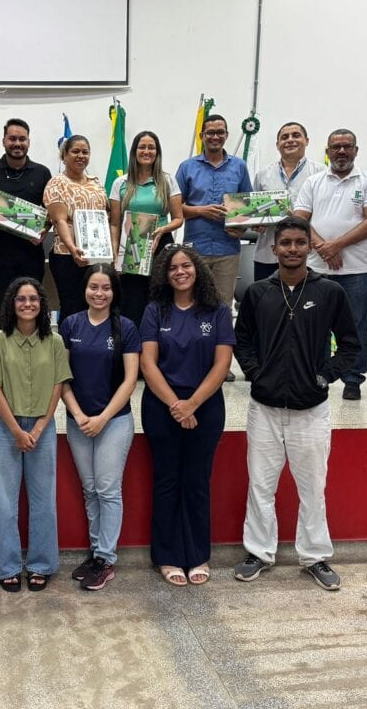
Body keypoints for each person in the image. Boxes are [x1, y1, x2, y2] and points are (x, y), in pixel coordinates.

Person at [233, 216, 359, 591]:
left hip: (311, 409)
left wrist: (325, 375)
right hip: (265, 408)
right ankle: (258, 552)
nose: (291, 249)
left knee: (312, 487)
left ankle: (315, 556)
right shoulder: (257, 293)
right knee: (261, 485)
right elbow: (243, 342)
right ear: (273, 249)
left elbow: (350, 344)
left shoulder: (330, 292)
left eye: (298, 243)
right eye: (284, 243)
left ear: (308, 247)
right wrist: (257, 373)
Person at [140, 245, 234, 587]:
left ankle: (197, 555)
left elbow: (222, 364)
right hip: (162, 407)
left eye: (186, 266)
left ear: (197, 270)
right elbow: (148, 364)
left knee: (196, 482)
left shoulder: (217, 311)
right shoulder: (155, 311)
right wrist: (176, 406)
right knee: (166, 482)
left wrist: (192, 404)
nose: (180, 272)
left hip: (205, 406)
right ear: (165, 275)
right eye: (173, 268)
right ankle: (166, 557)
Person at [0, 277, 71, 592]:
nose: (28, 304)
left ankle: (41, 565)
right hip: (6, 427)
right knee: (5, 500)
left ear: (42, 304)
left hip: (43, 427)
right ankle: (6, 566)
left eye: (33, 299)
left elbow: (58, 385)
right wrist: (17, 430)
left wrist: (41, 427)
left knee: (44, 499)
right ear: (11, 304)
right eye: (21, 299)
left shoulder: (55, 342)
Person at [60, 264, 140, 591]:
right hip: (78, 419)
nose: (99, 293)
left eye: (105, 288)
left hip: (114, 421)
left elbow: (131, 379)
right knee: (90, 489)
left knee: (108, 489)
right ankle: (95, 553)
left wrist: (103, 417)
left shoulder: (126, 327)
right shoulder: (70, 324)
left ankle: (106, 559)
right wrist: (79, 415)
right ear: (85, 289)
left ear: (113, 291)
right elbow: (61, 378)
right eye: (94, 287)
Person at [293, 129, 367, 401]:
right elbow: (300, 219)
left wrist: (337, 245)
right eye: (336, 147)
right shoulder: (314, 181)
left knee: (354, 325)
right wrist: (324, 247)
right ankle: (317, 374)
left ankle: (353, 378)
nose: (342, 151)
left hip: (356, 269)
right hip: (316, 267)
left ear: (356, 150)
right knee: (314, 323)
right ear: (328, 150)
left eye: (347, 147)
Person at [175, 114, 252, 381]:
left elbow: (246, 210)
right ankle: (193, 359)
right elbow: (175, 208)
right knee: (191, 306)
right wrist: (201, 211)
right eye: (210, 132)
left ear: (227, 135)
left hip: (227, 249)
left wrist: (240, 227)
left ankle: (221, 365)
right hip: (193, 250)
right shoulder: (187, 167)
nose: (215, 137)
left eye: (220, 132)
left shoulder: (239, 167)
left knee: (221, 308)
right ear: (202, 136)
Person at [0, 118, 53, 328]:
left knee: (33, 303)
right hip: (1, 255)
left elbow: (50, 213)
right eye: (12, 138)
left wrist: (45, 230)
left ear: (29, 142)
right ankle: (2, 352)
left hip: (32, 254)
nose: (17, 143)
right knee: (3, 304)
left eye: (22, 139)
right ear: (4, 141)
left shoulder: (42, 172)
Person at [108, 131, 184, 327]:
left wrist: (161, 230)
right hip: (130, 248)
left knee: (160, 299)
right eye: (142, 147)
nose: (147, 151)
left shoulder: (167, 181)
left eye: (151, 147)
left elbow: (178, 219)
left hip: (160, 246)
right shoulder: (120, 183)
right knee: (132, 302)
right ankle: (131, 350)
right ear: (134, 151)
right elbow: (115, 224)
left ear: (157, 153)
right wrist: (115, 255)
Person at [44, 135, 109, 320]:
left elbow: (105, 216)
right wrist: (73, 249)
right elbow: (60, 220)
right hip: (67, 256)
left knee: (96, 305)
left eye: (85, 152)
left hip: (96, 256)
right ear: (64, 155)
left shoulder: (95, 183)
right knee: (72, 307)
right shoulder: (56, 183)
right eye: (75, 151)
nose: (81, 155)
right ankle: (68, 348)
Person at [251, 122, 327, 281]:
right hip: (268, 254)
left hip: (306, 256)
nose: (290, 140)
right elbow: (253, 211)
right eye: (284, 137)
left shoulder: (322, 174)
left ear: (307, 140)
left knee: (304, 303)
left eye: (296, 135)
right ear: (278, 145)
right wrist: (255, 223)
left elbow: (325, 213)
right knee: (267, 302)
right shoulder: (263, 174)